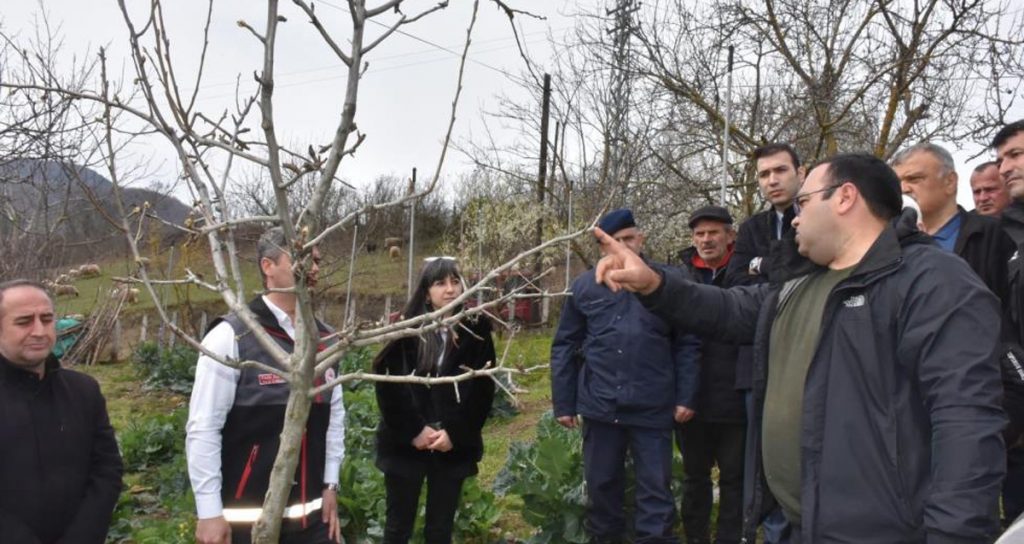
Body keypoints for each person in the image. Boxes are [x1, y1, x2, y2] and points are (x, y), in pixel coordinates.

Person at [594, 153, 1006, 543]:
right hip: (800, 524)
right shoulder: (800, 284)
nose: (795, 216)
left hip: (882, 530)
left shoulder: (930, 280)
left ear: (845, 197)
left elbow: (966, 421)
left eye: (804, 202)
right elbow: (727, 309)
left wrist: (955, 535)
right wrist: (653, 284)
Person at [186, 226, 345, 544]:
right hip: (247, 524)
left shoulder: (326, 341)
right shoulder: (232, 337)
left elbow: (335, 419)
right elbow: (203, 427)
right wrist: (209, 513)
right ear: (267, 267)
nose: (312, 268)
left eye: (316, 260)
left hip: (312, 522)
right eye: (300, 258)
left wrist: (331, 485)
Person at [551, 208, 700, 544]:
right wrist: (564, 402)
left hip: (653, 405)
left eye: (629, 239)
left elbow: (688, 342)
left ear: (641, 238)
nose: (624, 247)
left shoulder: (666, 281)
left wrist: (685, 395)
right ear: (604, 247)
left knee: (656, 495)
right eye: (615, 242)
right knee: (601, 492)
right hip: (601, 406)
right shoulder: (585, 287)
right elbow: (565, 345)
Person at [372, 257, 496, 544]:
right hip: (406, 443)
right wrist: (414, 429)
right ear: (426, 292)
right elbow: (388, 384)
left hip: (451, 444)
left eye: (455, 281)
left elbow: (482, 390)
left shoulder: (476, 330)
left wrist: (455, 433)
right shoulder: (407, 328)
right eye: (440, 283)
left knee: (440, 530)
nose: (450, 289)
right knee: (397, 527)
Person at [0, 279, 124, 544]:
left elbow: (107, 469)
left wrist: (83, 536)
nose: (39, 331)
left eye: (46, 319)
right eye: (24, 322)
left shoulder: (84, 391)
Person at [724, 142, 803, 542]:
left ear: (799, 172)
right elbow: (736, 277)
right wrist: (773, 264)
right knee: (761, 454)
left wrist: (764, 264)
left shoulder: (816, 217)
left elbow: (805, 270)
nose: (771, 180)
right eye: (763, 175)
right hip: (757, 358)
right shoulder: (753, 227)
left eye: (780, 171)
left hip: (805, 353)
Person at [677, 206, 745, 544]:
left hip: (735, 397)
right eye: (699, 234)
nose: (706, 240)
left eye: (713, 233)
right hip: (693, 400)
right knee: (694, 477)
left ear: (730, 236)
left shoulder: (747, 272)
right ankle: (696, 537)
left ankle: (730, 538)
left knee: (735, 477)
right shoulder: (681, 276)